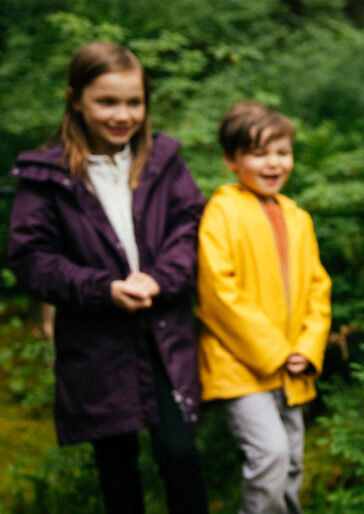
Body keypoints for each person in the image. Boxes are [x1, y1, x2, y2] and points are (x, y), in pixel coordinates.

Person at [6, 42, 208, 513]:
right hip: (96, 337)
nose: (123, 115)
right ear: (75, 98)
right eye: (107, 102)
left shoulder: (165, 162)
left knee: (180, 453)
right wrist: (104, 290)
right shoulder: (45, 174)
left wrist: (160, 278)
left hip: (164, 331)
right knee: (116, 465)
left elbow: (192, 228)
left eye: (133, 102)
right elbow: (31, 256)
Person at [197, 101, 332, 514]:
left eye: (282, 152)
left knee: (292, 461)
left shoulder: (298, 217)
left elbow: (317, 289)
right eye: (259, 153)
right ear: (231, 160)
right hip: (241, 366)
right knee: (270, 455)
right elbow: (219, 292)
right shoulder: (222, 210)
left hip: (293, 369)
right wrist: (276, 352)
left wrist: (306, 349)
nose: (274, 163)